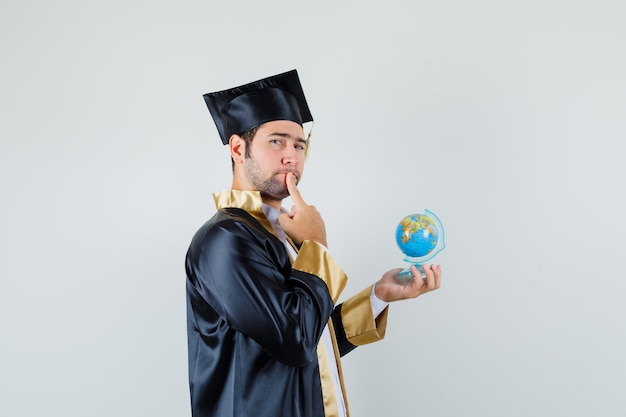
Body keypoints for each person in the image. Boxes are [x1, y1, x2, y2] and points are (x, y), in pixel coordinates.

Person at [185, 69, 442, 417]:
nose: (291, 156)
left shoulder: (281, 235)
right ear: (237, 148)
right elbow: (296, 340)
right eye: (276, 141)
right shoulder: (226, 239)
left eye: (299, 144)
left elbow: (313, 339)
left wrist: (378, 296)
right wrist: (317, 244)